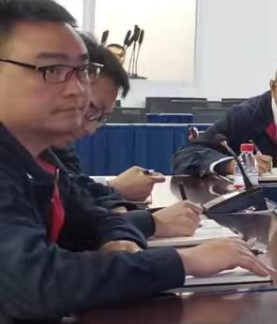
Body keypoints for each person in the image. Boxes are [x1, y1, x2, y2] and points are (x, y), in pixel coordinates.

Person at [0, 0, 266, 324]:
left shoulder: (37, 157)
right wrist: (184, 262)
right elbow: (34, 285)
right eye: (53, 69)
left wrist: (119, 240)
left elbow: (93, 215)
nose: (78, 90)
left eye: (82, 71)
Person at [49, 36, 201, 241]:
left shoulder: (56, 148)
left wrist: (116, 207)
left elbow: (78, 193)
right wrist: (150, 223)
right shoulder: (19, 153)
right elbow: (60, 235)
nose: (91, 129)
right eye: (90, 108)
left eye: (101, 116)